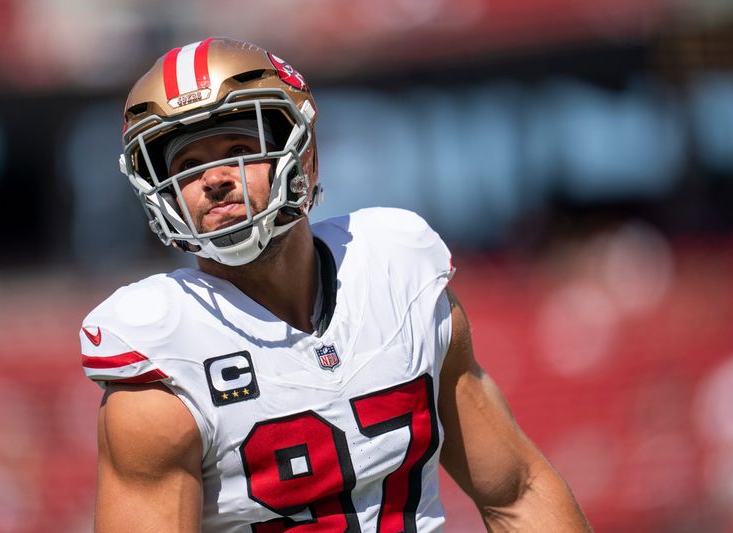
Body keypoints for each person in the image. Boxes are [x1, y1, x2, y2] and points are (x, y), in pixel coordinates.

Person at [80, 36, 591, 532]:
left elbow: (516, 494)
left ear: (298, 152)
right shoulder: (164, 360)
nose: (214, 179)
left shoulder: (397, 274)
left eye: (238, 146)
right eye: (189, 166)